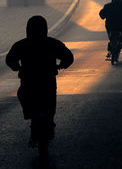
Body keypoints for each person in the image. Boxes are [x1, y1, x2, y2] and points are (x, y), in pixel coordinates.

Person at [6, 15, 74, 148]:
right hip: (47, 80)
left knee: (23, 96)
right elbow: (69, 57)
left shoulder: (21, 45)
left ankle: (33, 119)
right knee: (50, 103)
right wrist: (62, 65)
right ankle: (49, 123)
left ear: (28, 29)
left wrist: (17, 67)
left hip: (28, 81)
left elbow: (10, 59)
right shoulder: (53, 43)